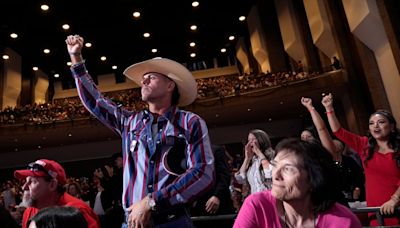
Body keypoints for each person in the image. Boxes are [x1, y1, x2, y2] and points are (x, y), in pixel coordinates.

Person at [65, 35, 214, 228]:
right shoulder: (130, 122)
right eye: (143, 79)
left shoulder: (190, 122)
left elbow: (203, 172)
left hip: (173, 221)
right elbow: (96, 101)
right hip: (132, 223)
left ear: (170, 85)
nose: (143, 82)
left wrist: (152, 201)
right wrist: (76, 58)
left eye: (150, 78)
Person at [233, 138, 362, 228]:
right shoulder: (257, 205)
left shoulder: (343, 222)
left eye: (288, 169)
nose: (276, 176)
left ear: (314, 179)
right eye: (275, 165)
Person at [322, 93, 400, 226]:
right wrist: (329, 109)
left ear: (392, 127)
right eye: (372, 123)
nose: (376, 126)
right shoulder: (364, 145)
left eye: (381, 122)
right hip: (375, 208)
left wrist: (394, 200)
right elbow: (338, 131)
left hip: (396, 205)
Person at [301, 97, 365, 203]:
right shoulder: (301, 160)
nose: (305, 140)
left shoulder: (325, 155)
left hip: (334, 201)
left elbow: (321, 129)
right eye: (302, 138)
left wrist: (311, 108)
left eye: (308, 137)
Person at [14, 159, 100, 228]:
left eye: (32, 182)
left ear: (52, 184)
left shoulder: (76, 212)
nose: (24, 187)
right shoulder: (30, 211)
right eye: (26, 181)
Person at [191, 145, 235, 228]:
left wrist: (217, 195)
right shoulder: (188, 153)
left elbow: (224, 175)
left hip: (217, 204)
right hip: (197, 208)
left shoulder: (215, 150)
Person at [235, 129, 274, 195]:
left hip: (269, 198)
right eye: (249, 140)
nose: (250, 143)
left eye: (253, 139)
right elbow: (240, 179)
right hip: (255, 200)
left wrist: (259, 152)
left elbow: (270, 174)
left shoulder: (272, 156)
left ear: (261, 140)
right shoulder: (253, 160)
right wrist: (247, 158)